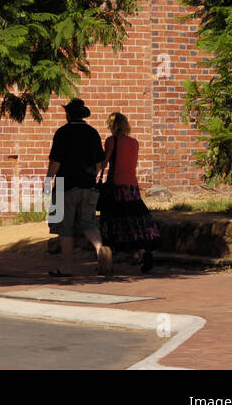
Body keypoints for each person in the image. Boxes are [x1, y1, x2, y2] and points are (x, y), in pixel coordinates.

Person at [45, 98, 113, 277]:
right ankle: (100, 249)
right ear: (83, 115)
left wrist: (47, 180)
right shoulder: (92, 133)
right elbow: (99, 163)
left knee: (65, 228)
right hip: (89, 186)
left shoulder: (62, 133)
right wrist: (93, 176)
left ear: (68, 114)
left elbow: (56, 162)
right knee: (88, 224)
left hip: (66, 186)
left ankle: (67, 268)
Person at [97, 113, 161, 273]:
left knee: (111, 222)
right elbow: (133, 164)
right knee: (134, 221)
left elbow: (104, 163)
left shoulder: (111, 141)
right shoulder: (134, 143)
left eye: (109, 125)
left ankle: (106, 263)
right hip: (132, 186)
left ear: (114, 125)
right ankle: (142, 252)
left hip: (116, 187)